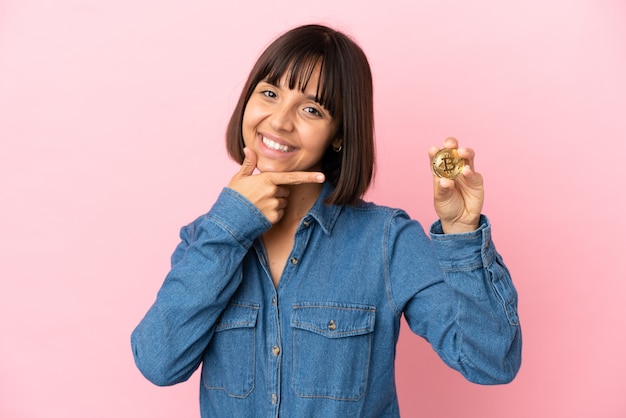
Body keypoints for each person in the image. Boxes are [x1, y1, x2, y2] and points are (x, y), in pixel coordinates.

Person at [131, 24, 522, 417]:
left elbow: (490, 362)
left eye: (311, 109)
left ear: (338, 134)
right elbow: (159, 362)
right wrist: (231, 224)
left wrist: (462, 235)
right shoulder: (207, 238)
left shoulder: (387, 241)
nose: (280, 121)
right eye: (269, 93)